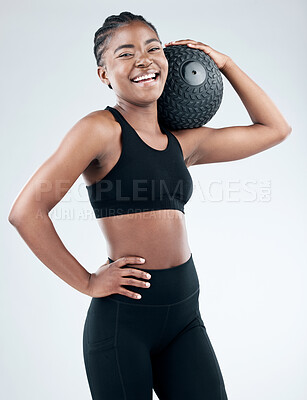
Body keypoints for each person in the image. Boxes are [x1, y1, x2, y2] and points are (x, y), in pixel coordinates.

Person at [8, 10, 292, 400]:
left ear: (168, 60)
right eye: (125, 54)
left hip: (185, 317)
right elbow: (26, 212)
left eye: (152, 48)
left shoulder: (183, 144)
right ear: (104, 74)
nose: (142, 59)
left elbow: (274, 129)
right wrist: (88, 282)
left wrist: (223, 63)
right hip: (125, 321)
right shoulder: (100, 130)